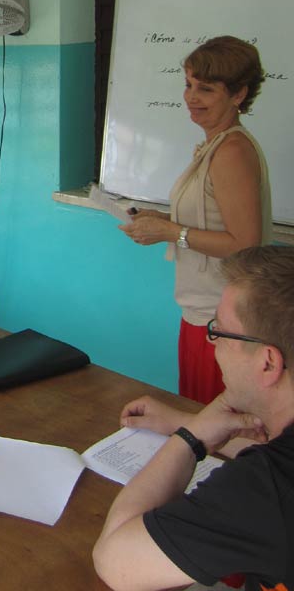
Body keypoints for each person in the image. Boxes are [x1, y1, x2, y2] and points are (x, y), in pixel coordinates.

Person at [93, 245, 294, 591]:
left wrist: (188, 439)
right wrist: (185, 421)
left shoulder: (264, 489)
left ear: (268, 363)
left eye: (220, 332)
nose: (211, 342)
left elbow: (114, 560)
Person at [119, 36, 272, 404]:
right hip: (202, 313)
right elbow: (215, 219)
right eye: (188, 85)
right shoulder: (215, 146)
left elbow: (244, 244)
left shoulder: (232, 151)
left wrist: (171, 231)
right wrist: (163, 220)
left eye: (206, 89)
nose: (191, 97)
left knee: (213, 427)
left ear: (238, 94)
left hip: (222, 322)